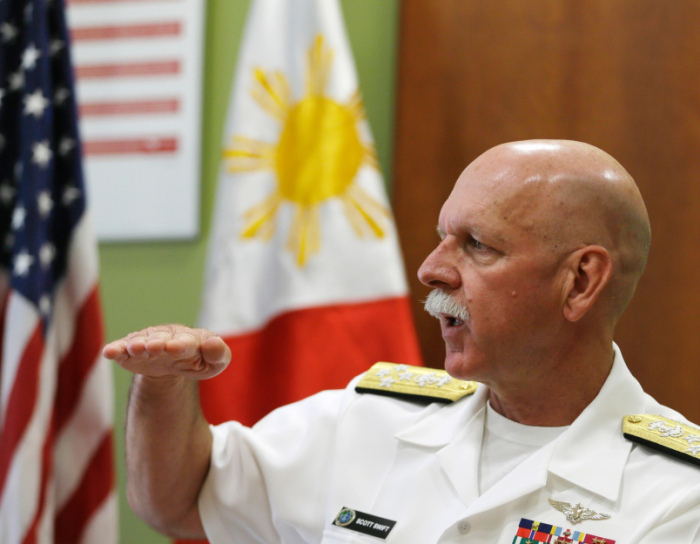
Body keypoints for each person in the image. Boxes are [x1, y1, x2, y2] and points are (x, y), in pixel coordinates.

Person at [104, 140, 700, 544]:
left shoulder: (678, 495)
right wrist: (162, 387)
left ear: (580, 282)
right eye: (442, 237)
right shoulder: (369, 419)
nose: (432, 269)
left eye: (477, 245)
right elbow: (178, 500)